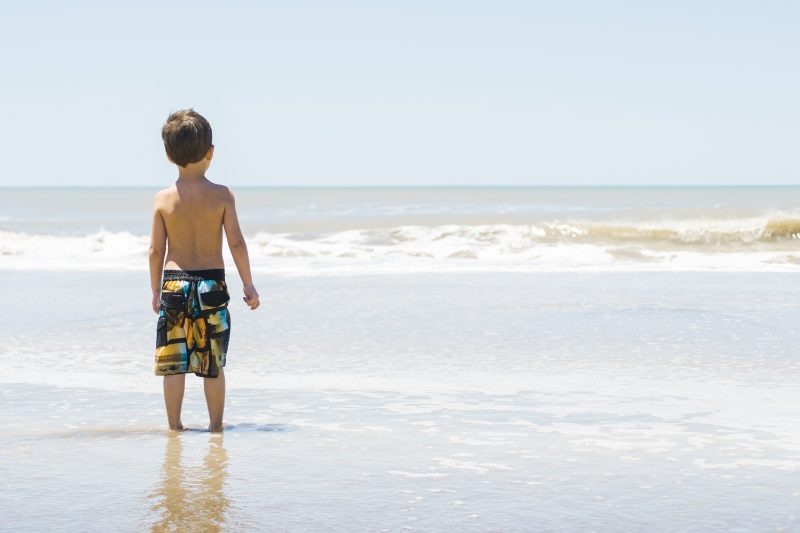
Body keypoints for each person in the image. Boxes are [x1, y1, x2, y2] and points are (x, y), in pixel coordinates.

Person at [148, 108, 260, 432]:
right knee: (212, 364)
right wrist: (249, 285)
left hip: (174, 287)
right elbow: (237, 243)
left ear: (169, 156)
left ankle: (174, 427)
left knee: (173, 365)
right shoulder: (222, 195)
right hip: (210, 286)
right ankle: (215, 427)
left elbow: (156, 250)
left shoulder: (163, 200)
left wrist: (156, 290)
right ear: (210, 153)